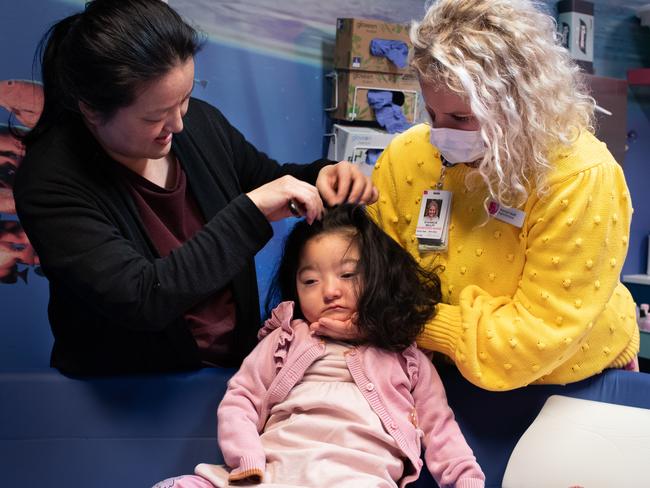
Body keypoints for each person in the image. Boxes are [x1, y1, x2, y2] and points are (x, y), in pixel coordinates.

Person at [12, 0, 376, 375]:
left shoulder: (201, 124)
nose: (178, 125)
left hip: (232, 379)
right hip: (126, 394)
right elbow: (141, 297)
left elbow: (267, 176)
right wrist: (249, 213)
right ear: (91, 110)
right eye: (154, 116)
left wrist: (322, 176)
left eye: (184, 99)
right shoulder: (50, 181)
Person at [361, 0, 640, 391]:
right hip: (435, 376)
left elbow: (534, 338)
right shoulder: (408, 154)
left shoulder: (578, 177)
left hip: (570, 379)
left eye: (461, 119)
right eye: (431, 113)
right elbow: (374, 281)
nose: (441, 135)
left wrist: (411, 322)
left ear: (519, 104)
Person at [155, 204, 485, 488]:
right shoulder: (285, 338)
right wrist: (246, 459)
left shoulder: (405, 355)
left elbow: (440, 428)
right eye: (310, 280)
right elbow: (241, 399)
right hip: (274, 470)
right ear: (294, 288)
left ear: (378, 277)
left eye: (348, 274)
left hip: (360, 476)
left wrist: (465, 479)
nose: (329, 291)